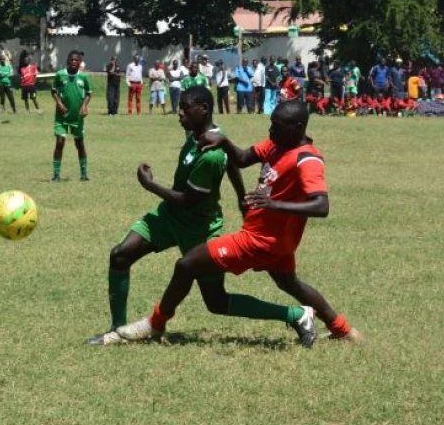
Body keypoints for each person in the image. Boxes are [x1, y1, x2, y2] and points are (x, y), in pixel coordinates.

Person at [109, 99, 359, 346]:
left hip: (259, 241)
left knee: (186, 265)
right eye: (271, 124)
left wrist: (273, 204)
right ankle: (342, 329)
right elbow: (241, 158)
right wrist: (225, 142)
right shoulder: (276, 145)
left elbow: (321, 206)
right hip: (277, 241)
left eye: (277, 126)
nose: (271, 131)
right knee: (289, 283)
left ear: (298, 126)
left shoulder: (307, 159)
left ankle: (155, 323)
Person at [87, 85, 246, 344]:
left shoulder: (211, 154)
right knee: (120, 254)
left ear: (203, 109)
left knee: (216, 301)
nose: (179, 114)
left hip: (198, 227)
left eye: (185, 109)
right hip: (168, 217)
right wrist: (241, 196)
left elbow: (188, 200)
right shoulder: (201, 133)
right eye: (179, 108)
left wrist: (150, 185)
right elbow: (232, 162)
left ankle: (295, 314)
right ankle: (117, 330)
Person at [51, 50, 92, 182]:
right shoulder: (60, 75)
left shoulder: (84, 77)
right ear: (67, 61)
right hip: (61, 116)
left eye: (76, 60)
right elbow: (53, 91)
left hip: (77, 117)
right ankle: (56, 175)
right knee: (60, 142)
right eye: (71, 60)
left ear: (80, 63)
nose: (74, 62)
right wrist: (59, 103)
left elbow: (88, 93)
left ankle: (84, 174)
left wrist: (85, 106)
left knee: (79, 144)